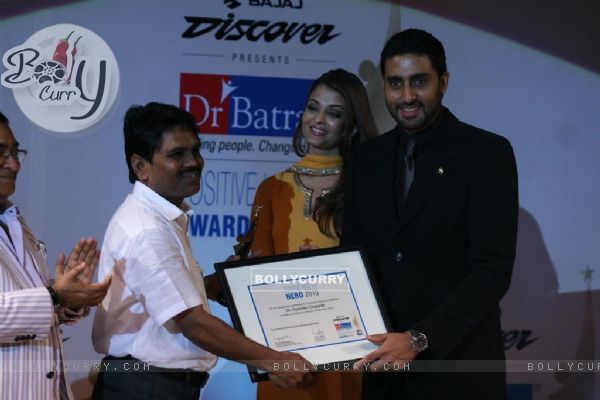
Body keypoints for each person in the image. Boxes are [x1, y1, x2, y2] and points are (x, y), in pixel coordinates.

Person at [91, 102, 314, 400]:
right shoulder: (147, 229)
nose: (194, 162)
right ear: (140, 166)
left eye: (195, 150)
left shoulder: (160, 218)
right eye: (176, 155)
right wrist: (273, 360)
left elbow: (161, 299)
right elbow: (193, 323)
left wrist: (211, 285)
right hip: (147, 388)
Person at [342, 29, 518, 399]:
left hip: (459, 371)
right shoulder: (365, 160)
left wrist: (420, 339)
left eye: (419, 82)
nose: (407, 97)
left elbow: (492, 271)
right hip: (385, 372)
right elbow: (353, 261)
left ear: (443, 82)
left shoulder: (486, 153)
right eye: (395, 83)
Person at [248, 69, 378, 400]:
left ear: (351, 124)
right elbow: (258, 268)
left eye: (334, 113)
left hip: (349, 346)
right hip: (284, 349)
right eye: (313, 107)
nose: (318, 120)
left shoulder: (368, 185)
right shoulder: (272, 188)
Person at [0, 111, 112, 400]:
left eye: (16, 152)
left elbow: (23, 303)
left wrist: (66, 298)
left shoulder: (15, 221)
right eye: (1, 153)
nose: (14, 164)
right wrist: (54, 296)